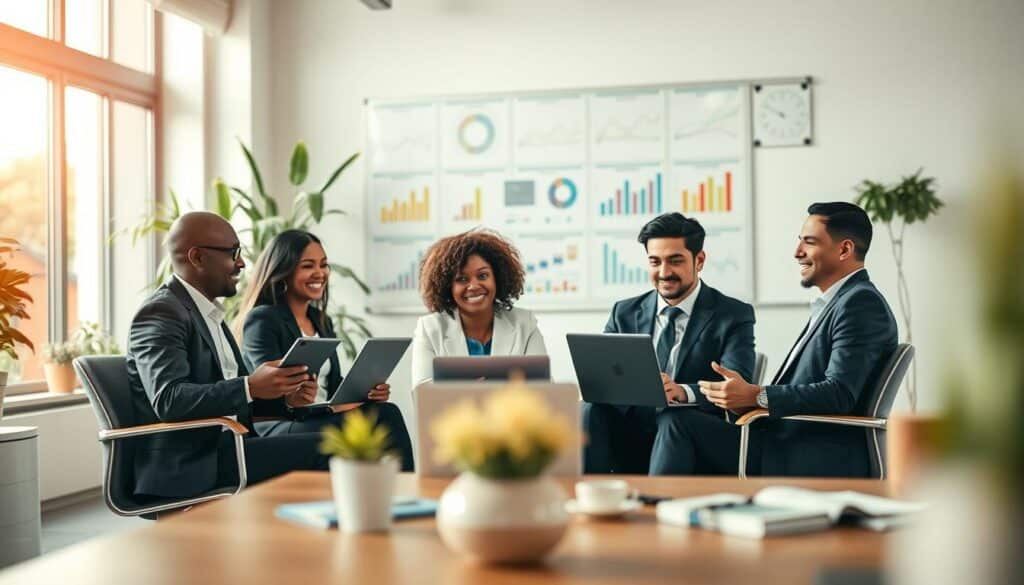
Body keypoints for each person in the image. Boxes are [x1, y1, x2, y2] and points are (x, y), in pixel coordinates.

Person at [676, 202, 898, 477]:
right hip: (783, 441)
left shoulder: (860, 304)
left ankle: (652, 513)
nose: (797, 253)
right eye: (799, 242)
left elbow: (839, 393)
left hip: (805, 453)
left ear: (844, 250)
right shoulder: (840, 302)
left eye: (810, 242)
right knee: (676, 421)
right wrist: (744, 398)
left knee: (678, 424)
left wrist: (757, 395)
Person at [125, 212, 328, 500]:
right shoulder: (161, 312)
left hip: (228, 446)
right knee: (330, 447)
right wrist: (249, 386)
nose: (242, 263)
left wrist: (286, 398)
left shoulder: (209, 314)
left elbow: (232, 401)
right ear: (197, 257)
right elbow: (169, 400)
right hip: (191, 462)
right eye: (233, 253)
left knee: (336, 441)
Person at [583, 212, 756, 475]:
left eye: (675, 261)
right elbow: (605, 377)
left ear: (699, 260)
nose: (664, 272)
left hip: (688, 433)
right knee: (589, 409)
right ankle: (588, 501)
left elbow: (737, 385)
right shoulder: (624, 312)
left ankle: (656, 506)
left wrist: (682, 391)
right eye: (655, 261)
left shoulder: (732, 315)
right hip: (631, 432)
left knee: (672, 418)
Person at [236, 229, 414, 471]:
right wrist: (312, 402)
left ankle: (399, 493)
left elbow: (330, 385)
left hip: (319, 417)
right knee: (385, 418)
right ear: (284, 271)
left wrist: (365, 391)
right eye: (308, 266)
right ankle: (405, 493)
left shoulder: (320, 319)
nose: (320, 273)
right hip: (280, 425)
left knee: (385, 410)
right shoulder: (264, 319)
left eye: (323, 265)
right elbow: (269, 386)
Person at [410, 229, 547, 388]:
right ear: (448, 287)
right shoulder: (430, 329)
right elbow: (423, 393)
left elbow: (544, 387)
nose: (474, 286)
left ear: (497, 278)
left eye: (482, 276)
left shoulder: (525, 324)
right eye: (462, 279)